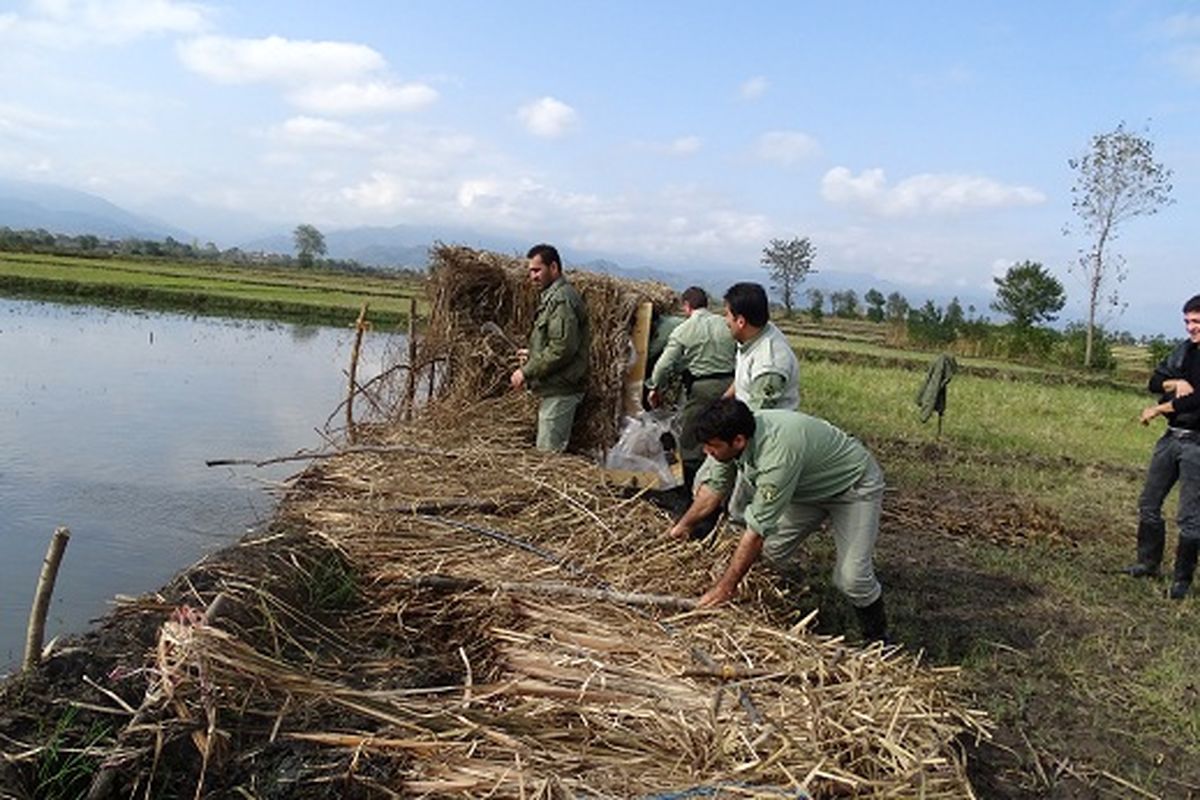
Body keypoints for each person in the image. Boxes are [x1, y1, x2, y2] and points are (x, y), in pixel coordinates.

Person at [667, 397, 888, 641]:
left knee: (852, 578)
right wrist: (683, 526)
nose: (706, 452)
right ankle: (767, 606)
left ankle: (877, 638)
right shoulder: (730, 436)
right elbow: (713, 490)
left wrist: (724, 588)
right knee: (769, 553)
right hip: (806, 490)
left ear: (738, 441)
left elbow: (756, 532)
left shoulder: (777, 455)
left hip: (852, 488)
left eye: (712, 447)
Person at [1124, 293, 1200, 600]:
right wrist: (1174, 384)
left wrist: (1158, 409)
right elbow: (1155, 382)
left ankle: (1182, 580)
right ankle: (1148, 563)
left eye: (1196, 321)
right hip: (1171, 437)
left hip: (1198, 444)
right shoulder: (1183, 351)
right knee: (1149, 503)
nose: (1190, 328)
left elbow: (1199, 399)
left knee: (1191, 516)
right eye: (1187, 322)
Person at [646, 287, 736, 489]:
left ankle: (690, 488)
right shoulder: (725, 324)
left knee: (691, 437)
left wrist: (654, 387)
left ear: (687, 306)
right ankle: (722, 483)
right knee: (723, 432)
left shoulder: (684, 329)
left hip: (702, 388)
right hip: (731, 385)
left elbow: (664, 365)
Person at [510, 244, 590, 452]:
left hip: (561, 391)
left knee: (547, 457)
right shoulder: (553, 298)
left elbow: (561, 348)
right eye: (530, 271)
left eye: (537, 270)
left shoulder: (561, 299)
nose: (533, 276)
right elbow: (558, 341)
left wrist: (525, 371)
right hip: (555, 388)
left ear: (553, 267)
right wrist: (533, 353)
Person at [721, 282, 800, 411]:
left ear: (741, 321)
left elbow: (758, 416)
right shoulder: (754, 334)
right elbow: (744, 380)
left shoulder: (768, 366)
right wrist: (720, 403)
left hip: (765, 426)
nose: (726, 321)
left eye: (727, 315)